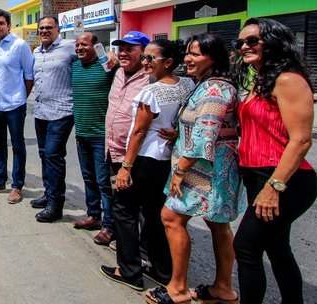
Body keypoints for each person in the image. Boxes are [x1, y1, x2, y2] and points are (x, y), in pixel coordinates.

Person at [146, 34, 242, 304]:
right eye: (188, 53)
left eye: (197, 54)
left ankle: (177, 289)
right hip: (211, 167)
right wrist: (177, 133)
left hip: (204, 170)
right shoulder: (206, 84)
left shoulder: (215, 90)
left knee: (171, 218)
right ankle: (223, 288)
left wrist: (180, 170)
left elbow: (205, 134)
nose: (188, 58)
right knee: (218, 225)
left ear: (214, 58)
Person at [232, 18, 317, 304]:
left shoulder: (288, 79)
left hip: (285, 179)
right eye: (240, 42)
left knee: (245, 247)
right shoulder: (261, 80)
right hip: (259, 175)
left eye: (252, 41)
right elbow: (257, 128)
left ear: (274, 41)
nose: (244, 46)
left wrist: (274, 186)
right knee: (277, 247)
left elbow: (301, 140)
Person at [99, 31, 158, 290]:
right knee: (135, 211)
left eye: (130, 49)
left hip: (134, 158)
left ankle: (129, 270)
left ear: (144, 53)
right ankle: (152, 264)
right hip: (113, 152)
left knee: (127, 212)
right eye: (120, 48)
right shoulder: (118, 72)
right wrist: (110, 55)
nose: (123, 53)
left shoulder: (152, 79)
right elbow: (100, 55)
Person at [0, 9, 34, 204]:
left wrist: (21, 97)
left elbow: (29, 76)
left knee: (18, 147)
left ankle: (17, 186)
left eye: (1, 23)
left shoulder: (20, 45)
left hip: (15, 105)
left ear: (8, 26)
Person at [71, 32, 117, 244]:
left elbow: (122, 67)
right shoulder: (74, 66)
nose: (79, 48)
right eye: (77, 44)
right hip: (82, 132)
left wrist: (109, 54)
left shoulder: (107, 65)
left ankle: (110, 226)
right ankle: (93, 216)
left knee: (103, 182)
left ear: (96, 46)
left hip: (101, 135)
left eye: (84, 44)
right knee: (88, 178)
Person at [30, 16, 78, 222]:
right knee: (43, 154)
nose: (44, 31)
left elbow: (95, 51)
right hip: (41, 111)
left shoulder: (70, 47)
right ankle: (49, 193)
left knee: (53, 155)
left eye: (49, 28)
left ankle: (56, 204)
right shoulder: (37, 51)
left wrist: (108, 56)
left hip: (62, 111)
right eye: (41, 28)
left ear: (58, 29)